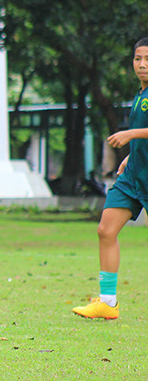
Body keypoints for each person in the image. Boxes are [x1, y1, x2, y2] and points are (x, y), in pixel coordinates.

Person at [72, 36, 148, 320]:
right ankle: (107, 302)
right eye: (138, 58)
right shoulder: (141, 94)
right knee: (105, 230)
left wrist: (131, 135)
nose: (142, 64)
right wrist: (134, 152)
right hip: (133, 176)